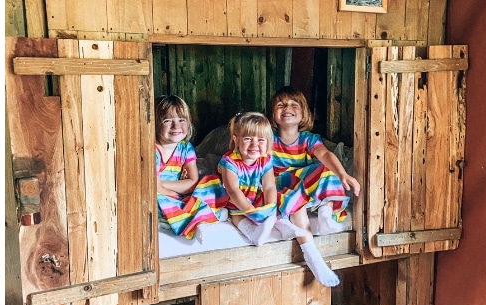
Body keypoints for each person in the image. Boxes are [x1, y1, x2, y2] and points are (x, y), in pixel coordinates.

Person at [220, 112, 339, 287]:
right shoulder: (229, 161)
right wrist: (252, 213)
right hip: (237, 201)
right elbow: (234, 191)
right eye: (248, 139)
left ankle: (287, 231)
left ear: (268, 142)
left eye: (261, 140)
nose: (255, 145)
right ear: (236, 139)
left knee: (283, 202)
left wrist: (269, 208)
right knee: (236, 215)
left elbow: (269, 186)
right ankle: (255, 235)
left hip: (256, 195)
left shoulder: (265, 159)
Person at [270, 86, 360, 235]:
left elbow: (324, 155)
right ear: (273, 114)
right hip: (277, 185)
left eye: (294, 104)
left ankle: (325, 215)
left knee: (325, 168)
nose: (287, 108)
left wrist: (342, 174)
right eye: (281, 105)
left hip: (302, 186)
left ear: (303, 113)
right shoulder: (268, 138)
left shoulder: (308, 139)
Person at [154, 95, 222, 241]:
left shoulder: (185, 148)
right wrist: (162, 188)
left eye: (181, 120)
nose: (176, 126)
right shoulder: (152, 150)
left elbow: (192, 182)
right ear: (155, 124)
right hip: (161, 197)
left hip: (176, 195)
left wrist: (161, 184)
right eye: (167, 120)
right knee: (153, 198)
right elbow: (152, 187)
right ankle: (187, 220)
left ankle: (195, 218)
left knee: (212, 183)